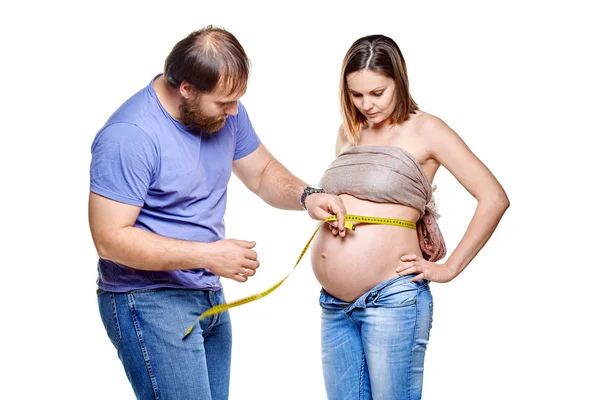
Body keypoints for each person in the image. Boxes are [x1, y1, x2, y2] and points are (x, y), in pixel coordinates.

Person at [88, 25, 346, 400]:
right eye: (224, 102)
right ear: (187, 89)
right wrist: (209, 255)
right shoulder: (130, 135)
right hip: (147, 299)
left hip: (207, 292)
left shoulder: (225, 113)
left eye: (237, 99)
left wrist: (307, 196)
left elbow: (261, 173)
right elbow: (110, 239)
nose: (234, 110)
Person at [309, 34, 510, 399]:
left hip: (393, 298)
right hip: (335, 305)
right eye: (356, 95)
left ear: (398, 81)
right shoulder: (348, 133)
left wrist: (449, 269)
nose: (366, 104)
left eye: (377, 93)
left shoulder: (427, 129)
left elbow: (493, 197)